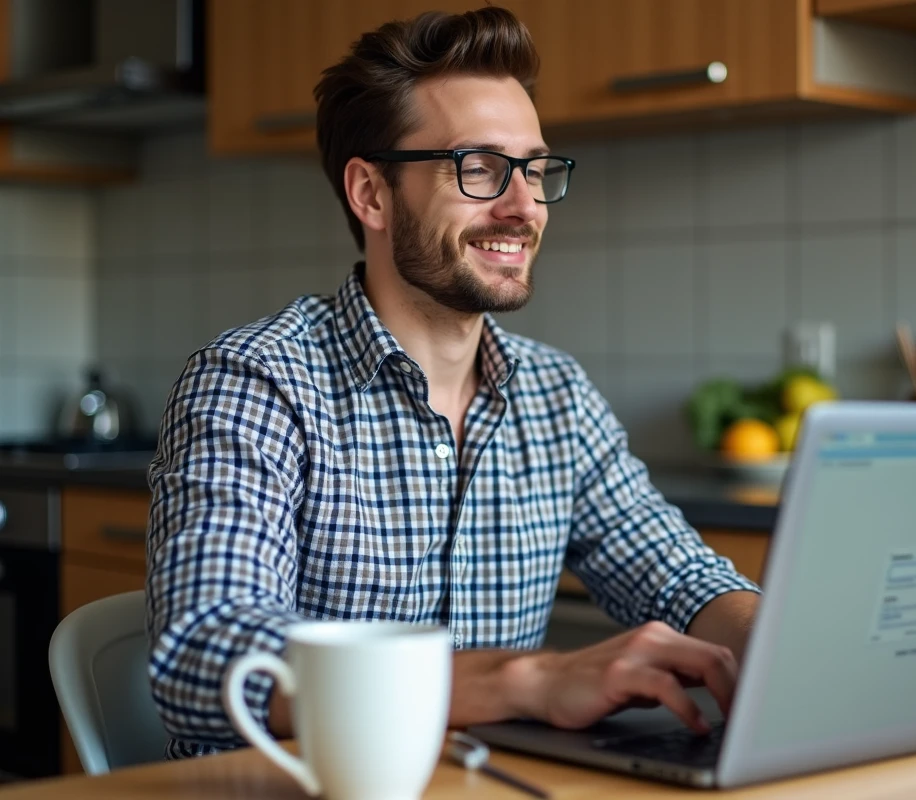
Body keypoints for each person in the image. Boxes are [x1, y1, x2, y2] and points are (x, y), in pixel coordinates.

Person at [146, 6, 760, 759]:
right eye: (479, 168)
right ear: (372, 194)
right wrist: (524, 679)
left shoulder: (555, 395)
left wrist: (769, 642)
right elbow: (207, 652)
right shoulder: (256, 384)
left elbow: (679, 575)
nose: (524, 206)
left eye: (535, 169)